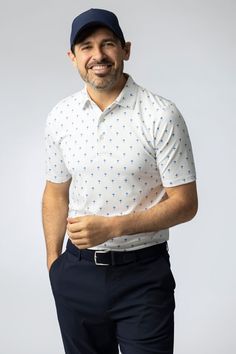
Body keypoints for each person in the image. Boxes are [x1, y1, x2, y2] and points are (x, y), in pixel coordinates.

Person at [42, 8, 198, 354]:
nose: (97, 56)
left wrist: (113, 228)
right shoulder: (61, 117)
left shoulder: (161, 115)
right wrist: (55, 263)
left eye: (107, 44)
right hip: (76, 274)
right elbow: (55, 191)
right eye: (86, 46)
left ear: (125, 49)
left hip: (143, 278)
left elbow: (186, 204)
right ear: (73, 57)